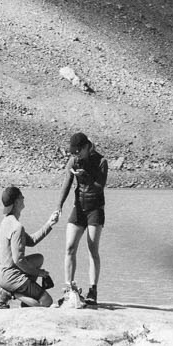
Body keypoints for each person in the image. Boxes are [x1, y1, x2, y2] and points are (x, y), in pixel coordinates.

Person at [57, 130, 108, 305]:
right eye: (72, 152)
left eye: (78, 151)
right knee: (70, 247)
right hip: (79, 207)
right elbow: (67, 182)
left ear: (87, 147)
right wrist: (59, 205)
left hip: (95, 209)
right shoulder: (74, 160)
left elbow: (100, 186)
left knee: (92, 248)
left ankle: (93, 290)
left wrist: (86, 177)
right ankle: (69, 289)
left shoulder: (101, 161)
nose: (75, 155)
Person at [0, 184, 59, 308]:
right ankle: (9, 294)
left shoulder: (6, 221)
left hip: (1, 273)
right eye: (22, 196)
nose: (24, 198)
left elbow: (32, 241)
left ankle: (25, 301)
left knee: (38, 258)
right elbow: (18, 260)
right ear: (17, 201)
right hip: (10, 277)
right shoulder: (17, 227)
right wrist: (38, 273)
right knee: (46, 302)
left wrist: (49, 223)